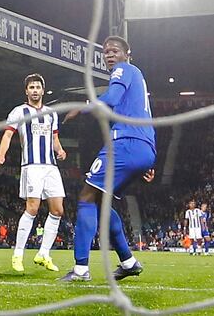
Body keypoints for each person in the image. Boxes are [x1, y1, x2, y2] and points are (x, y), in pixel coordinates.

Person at [59, 36, 156, 283]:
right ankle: (129, 262)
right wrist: (146, 160)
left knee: (86, 197)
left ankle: (80, 269)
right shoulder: (138, 79)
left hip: (124, 143)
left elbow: (110, 99)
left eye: (114, 51)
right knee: (102, 203)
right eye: (105, 52)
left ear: (127, 53)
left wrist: (82, 107)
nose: (109, 55)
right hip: (144, 147)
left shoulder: (124, 70)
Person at [0, 73, 67, 273]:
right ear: (26, 91)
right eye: (31, 87)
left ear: (43, 90)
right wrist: (2, 155)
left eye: (38, 87)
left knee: (58, 210)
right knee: (32, 208)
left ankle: (43, 254)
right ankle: (17, 255)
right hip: (32, 165)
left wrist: (60, 151)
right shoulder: (19, 111)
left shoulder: (52, 113)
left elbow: (54, 138)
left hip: (51, 167)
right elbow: (8, 134)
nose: (35, 90)